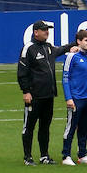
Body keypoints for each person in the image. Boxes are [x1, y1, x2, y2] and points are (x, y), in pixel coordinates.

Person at [16, 20, 77, 165]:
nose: (47, 32)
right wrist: (26, 92)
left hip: (48, 95)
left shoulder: (48, 47)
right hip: (34, 95)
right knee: (29, 127)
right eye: (44, 30)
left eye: (47, 30)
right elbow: (22, 72)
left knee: (45, 127)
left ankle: (44, 156)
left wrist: (75, 43)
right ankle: (27, 157)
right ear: (36, 32)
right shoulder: (28, 48)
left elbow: (61, 50)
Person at [60, 29, 87, 165]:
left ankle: (82, 155)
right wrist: (69, 97)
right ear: (79, 41)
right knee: (71, 126)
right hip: (76, 98)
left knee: (85, 127)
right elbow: (65, 77)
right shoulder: (71, 56)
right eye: (86, 40)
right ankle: (66, 155)